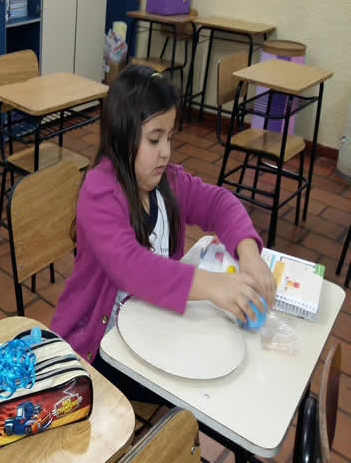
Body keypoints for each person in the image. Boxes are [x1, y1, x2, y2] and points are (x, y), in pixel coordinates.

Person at [50, 65, 276, 401]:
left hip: (152, 327)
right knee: (208, 395)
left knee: (223, 372)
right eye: (154, 139)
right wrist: (213, 286)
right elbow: (133, 268)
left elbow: (218, 202)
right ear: (122, 136)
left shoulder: (165, 180)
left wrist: (248, 251)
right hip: (99, 350)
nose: (166, 151)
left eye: (169, 137)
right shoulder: (99, 194)